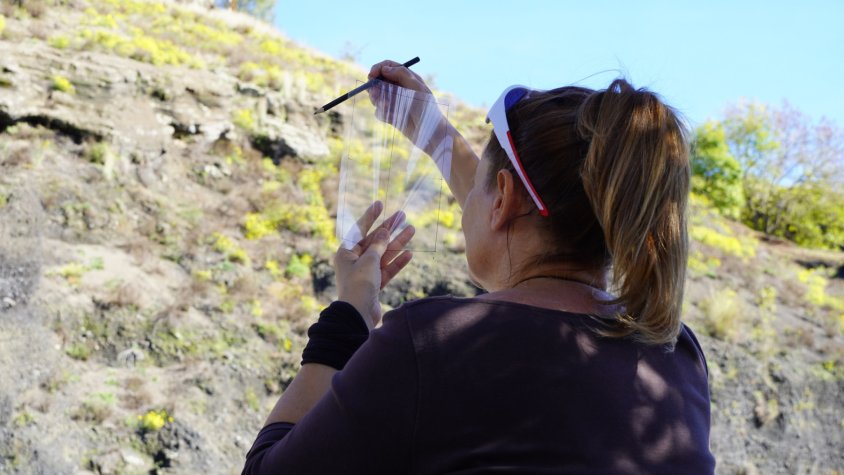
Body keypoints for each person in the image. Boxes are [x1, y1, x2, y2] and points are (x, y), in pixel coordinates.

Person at [242, 60, 716, 474]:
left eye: (485, 188)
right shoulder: (677, 355)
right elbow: (518, 224)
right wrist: (434, 132)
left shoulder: (433, 342)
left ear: (504, 197)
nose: (467, 204)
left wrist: (348, 316)